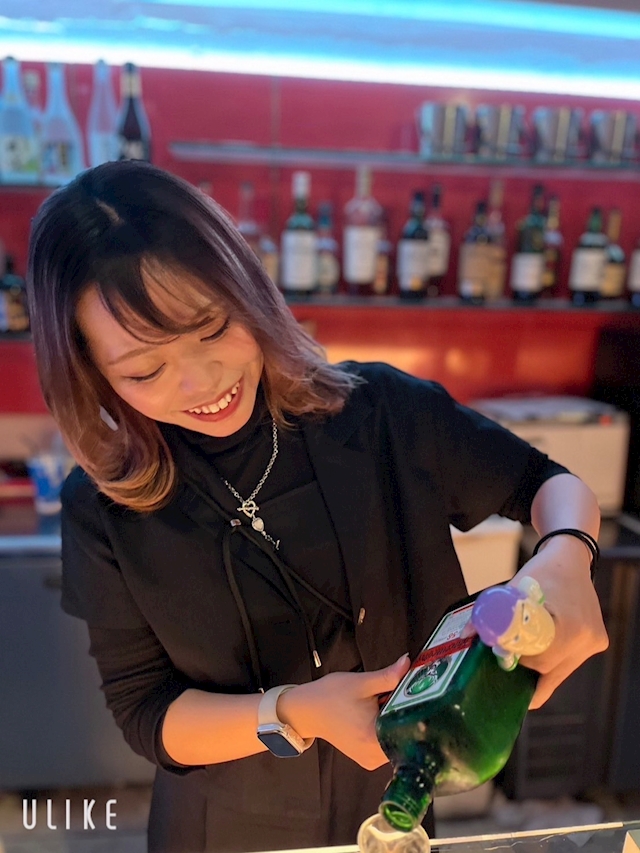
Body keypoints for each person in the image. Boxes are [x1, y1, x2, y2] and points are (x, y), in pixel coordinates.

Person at [26, 161, 608, 853]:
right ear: (92, 374)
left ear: (248, 289)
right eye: (145, 370)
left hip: (397, 804)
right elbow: (145, 709)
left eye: (213, 327)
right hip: (222, 829)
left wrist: (567, 555)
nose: (202, 381)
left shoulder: (381, 411)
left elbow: (543, 483)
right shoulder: (102, 507)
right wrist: (291, 710)